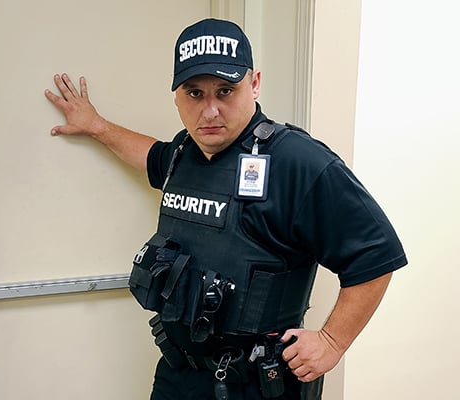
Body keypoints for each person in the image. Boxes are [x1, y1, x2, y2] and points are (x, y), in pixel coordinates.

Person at [44, 18, 407, 400]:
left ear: (254, 84)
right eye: (195, 93)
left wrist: (332, 341)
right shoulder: (183, 154)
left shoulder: (297, 162)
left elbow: (376, 255)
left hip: (256, 384)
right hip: (178, 373)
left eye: (225, 90)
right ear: (177, 97)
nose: (210, 111)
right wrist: (96, 125)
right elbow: (149, 154)